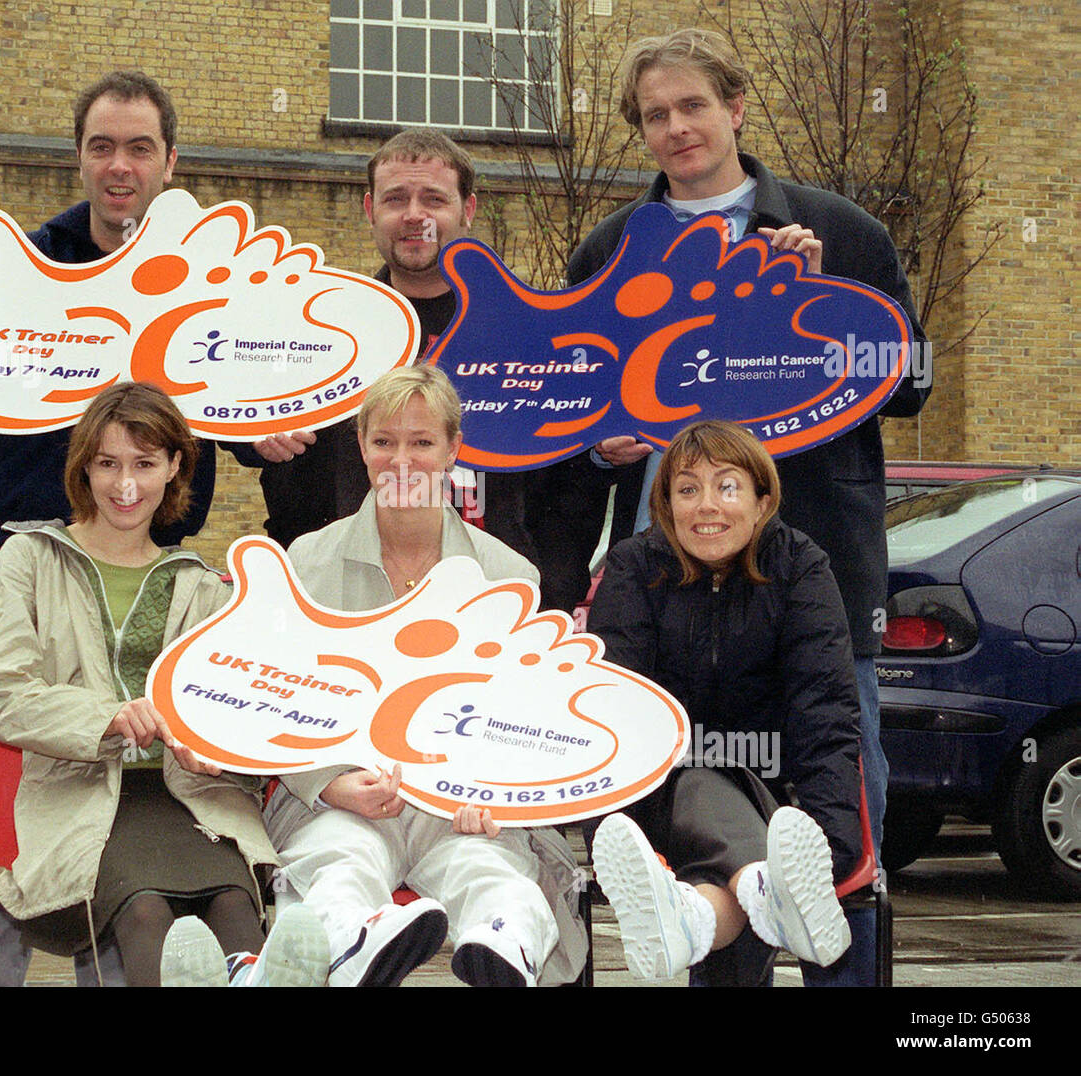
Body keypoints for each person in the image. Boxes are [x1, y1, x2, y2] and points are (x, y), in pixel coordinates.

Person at [531, 29, 931, 981]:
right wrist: (601, 441)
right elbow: (576, 409)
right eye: (656, 115)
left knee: (842, 791)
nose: (676, 129)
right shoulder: (612, 246)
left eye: (693, 106)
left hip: (813, 574)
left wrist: (828, 293)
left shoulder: (840, 229)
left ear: (737, 107)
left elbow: (911, 377)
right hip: (665, 588)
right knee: (696, 799)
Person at [0, 72, 272, 987]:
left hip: (153, 555)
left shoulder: (210, 275)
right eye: (102, 146)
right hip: (31, 540)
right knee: (4, 756)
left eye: (140, 147)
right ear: (79, 156)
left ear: (170, 160)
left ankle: (118, 961)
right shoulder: (35, 259)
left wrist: (275, 431)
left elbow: (255, 404)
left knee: (139, 777)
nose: (119, 165)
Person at [0, 381, 328, 987]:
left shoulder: (202, 585)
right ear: (82, 467)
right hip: (83, 794)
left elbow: (234, 714)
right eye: (108, 464)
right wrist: (106, 719)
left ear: (175, 468)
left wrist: (218, 752)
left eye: (144, 464)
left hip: (191, 795)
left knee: (236, 908)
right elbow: (4, 699)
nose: (125, 484)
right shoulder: (29, 558)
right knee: (146, 914)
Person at [262, 365, 587, 987]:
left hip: (464, 804)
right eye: (384, 441)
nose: (401, 459)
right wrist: (327, 783)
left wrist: (493, 790)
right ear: (360, 446)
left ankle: (504, 944)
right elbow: (272, 702)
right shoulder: (305, 562)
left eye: (422, 442)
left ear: (453, 450)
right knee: (340, 863)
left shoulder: (510, 574)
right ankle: (352, 943)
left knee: (489, 869)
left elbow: (525, 714)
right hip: (342, 795)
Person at [587, 420, 861, 985]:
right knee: (705, 774)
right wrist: (613, 831)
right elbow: (616, 717)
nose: (706, 506)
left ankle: (703, 914)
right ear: (665, 505)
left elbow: (825, 714)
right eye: (687, 489)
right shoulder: (636, 567)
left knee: (733, 865)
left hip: (779, 805)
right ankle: (772, 891)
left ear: (763, 501)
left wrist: (828, 849)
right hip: (660, 805)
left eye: (727, 487)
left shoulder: (800, 566)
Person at [251, 130, 537, 568]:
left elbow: (561, 484)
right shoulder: (317, 329)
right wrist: (256, 432)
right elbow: (234, 419)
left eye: (434, 200)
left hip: (489, 595)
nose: (414, 215)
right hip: (341, 595)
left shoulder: (520, 332)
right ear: (370, 209)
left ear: (468, 210)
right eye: (396, 199)